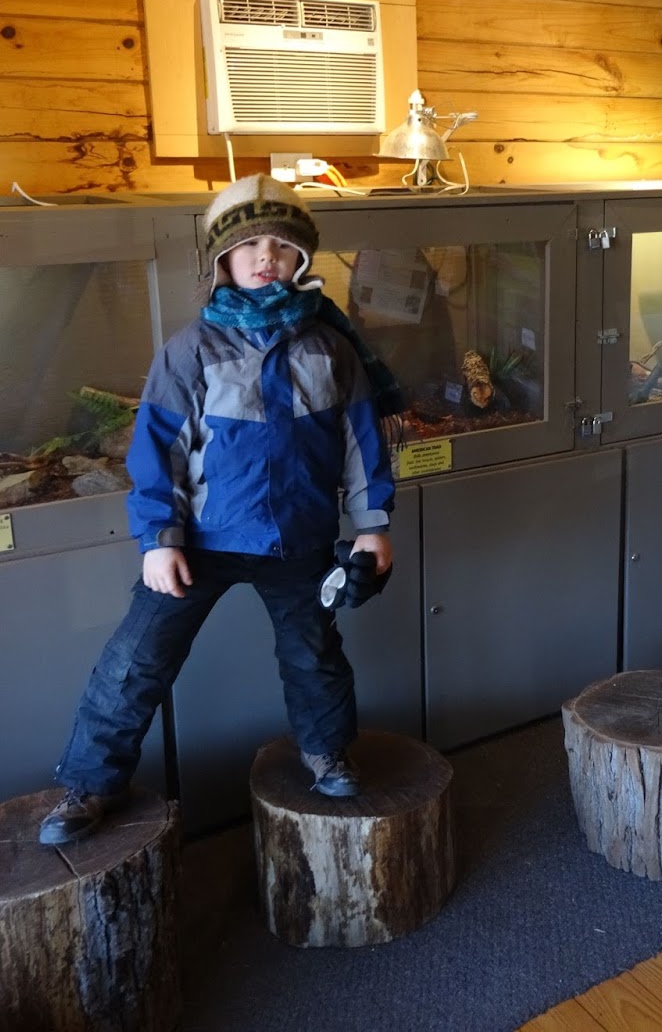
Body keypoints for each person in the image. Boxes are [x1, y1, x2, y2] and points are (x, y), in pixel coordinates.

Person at [39, 174, 402, 846]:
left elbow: (361, 447)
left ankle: (325, 752)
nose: (266, 256)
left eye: (282, 245)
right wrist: (158, 539)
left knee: (314, 654)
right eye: (250, 244)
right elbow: (157, 454)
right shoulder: (190, 351)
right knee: (137, 660)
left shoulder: (332, 348)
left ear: (301, 260)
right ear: (222, 261)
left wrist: (372, 526)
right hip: (199, 545)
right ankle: (88, 782)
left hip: (299, 540)